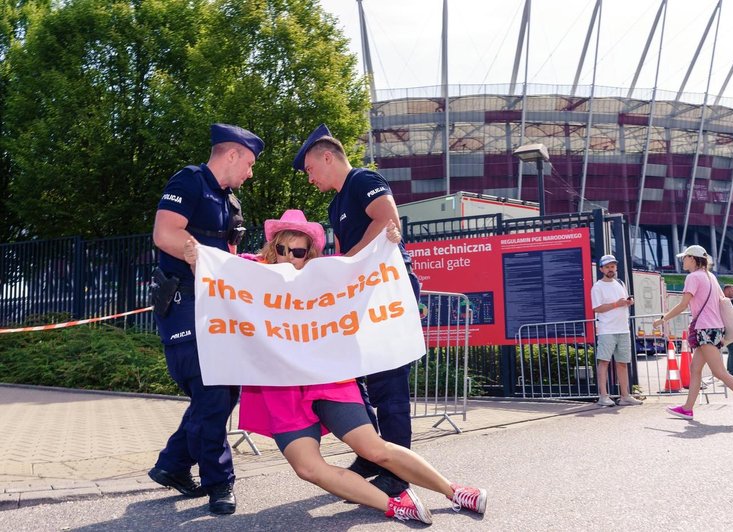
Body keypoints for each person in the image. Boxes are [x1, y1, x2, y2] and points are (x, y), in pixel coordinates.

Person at [186, 210, 487, 525]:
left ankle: (455, 491)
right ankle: (394, 505)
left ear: (310, 252)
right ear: (271, 246)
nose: (289, 257)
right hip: (278, 389)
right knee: (307, 468)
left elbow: (365, 274)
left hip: (327, 380)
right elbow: (216, 281)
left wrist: (389, 244)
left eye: (298, 251)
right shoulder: (252, 271)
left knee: (375, 449)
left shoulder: (326, 275)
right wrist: (196, 260)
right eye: (282, 249)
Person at [294, 124, 421, 497]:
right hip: (360, 298)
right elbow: (339, 256)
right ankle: (372, 454)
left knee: (388, 382)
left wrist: (346, 262)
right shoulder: (336, 204)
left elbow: (388, 221)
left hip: (384, 294)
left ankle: (398, 472)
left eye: (310, 169)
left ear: (327, 157)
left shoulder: (363, 180)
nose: (310, 178)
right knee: (355, 378)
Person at [148, 123, 264, 515]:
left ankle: (173, 464)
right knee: (212, 393)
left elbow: (228, 255)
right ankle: (219, 484)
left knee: (222, 391)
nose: (250, 173)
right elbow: (166, 234)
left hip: (217, 309)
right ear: (231, 154)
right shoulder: (190, 181)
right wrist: (203, 257)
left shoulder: (231, 202)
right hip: (184, 303)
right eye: (248, 163)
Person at [654, 245, 733, 424]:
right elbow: (722, 301)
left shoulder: (693, 277)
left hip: (705, 329)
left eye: (684, 257)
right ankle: (687, 408)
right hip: (713, 329)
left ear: (692, 258)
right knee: (695, 369)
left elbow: (684, 304)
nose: (682, 260)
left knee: (719, 372)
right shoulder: (710, 276)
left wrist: (663, 319)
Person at [589, 254, 642, 407]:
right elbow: (597, 308)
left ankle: (625, 395)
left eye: (612, 266)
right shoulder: (598, 287)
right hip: (607, 329)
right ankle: (603, 396)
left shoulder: (620, 283)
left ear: (616, 267)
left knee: (623, 363)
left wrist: (628, 302)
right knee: (604, 362)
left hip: (623, 328)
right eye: (607, 267)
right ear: (601, 269)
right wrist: (616, 304)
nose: (610, 269)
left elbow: (622, 303)